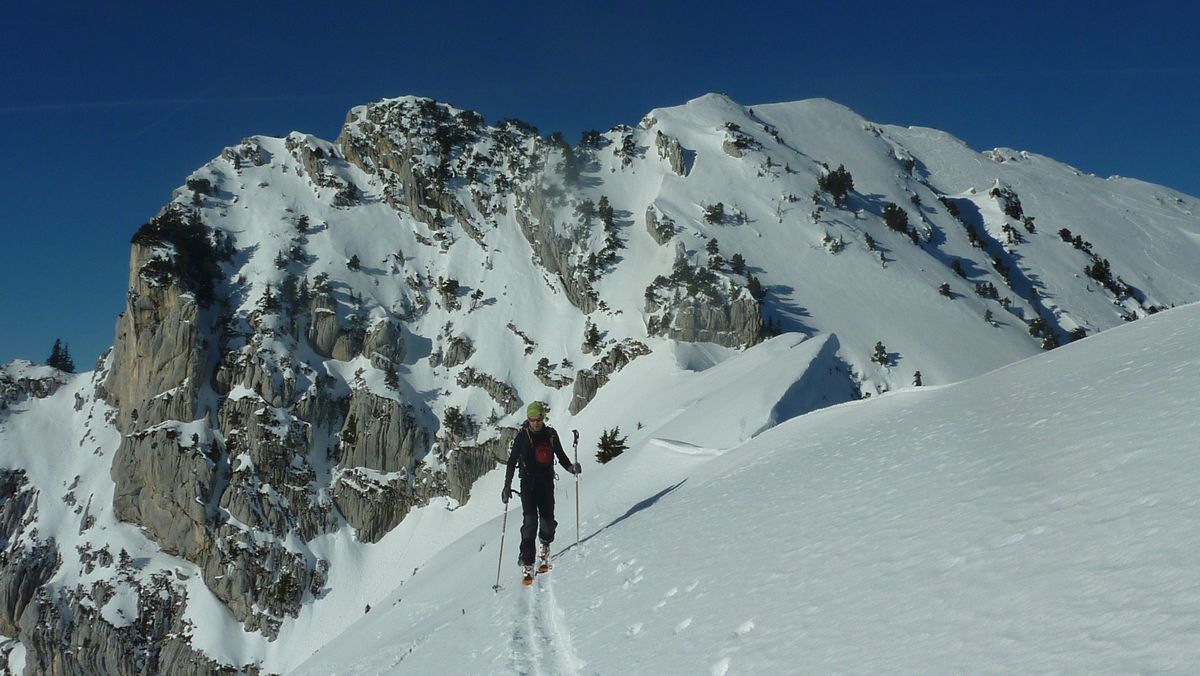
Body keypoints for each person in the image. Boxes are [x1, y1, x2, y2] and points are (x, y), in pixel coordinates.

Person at [502, 401, 581, 577]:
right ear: (528, 419)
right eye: (532, 419)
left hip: (546, 483)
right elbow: (512, 461)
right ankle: (528, 561)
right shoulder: (522, 436)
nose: (535, 422)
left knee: (547, 521)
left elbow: (560, 455)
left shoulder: (551, 435)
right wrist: (507, 485)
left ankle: (545, 544)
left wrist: (570, 468)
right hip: (528, 485)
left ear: (542, 418)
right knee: (530, 523)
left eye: (538, 419)